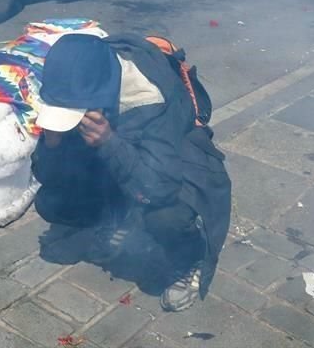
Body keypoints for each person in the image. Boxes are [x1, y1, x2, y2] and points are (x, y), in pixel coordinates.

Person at [31, 33, 231, 313]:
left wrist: (109, 142)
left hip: (176, 168)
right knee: (51, 201)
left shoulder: (148, 97)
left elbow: (161, 186)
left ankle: (189, 258)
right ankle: (117, 216)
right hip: (123, 160)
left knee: (166, 217)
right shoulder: (73, 84)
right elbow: (47, 176)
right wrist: (52, 143)